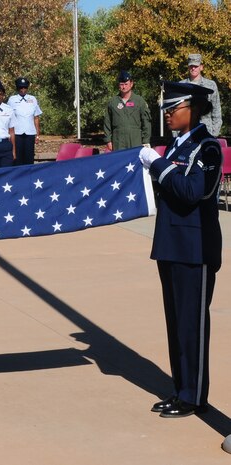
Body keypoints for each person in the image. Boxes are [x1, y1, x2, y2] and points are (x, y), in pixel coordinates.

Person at [139, 81, 223, 418]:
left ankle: (195, 395)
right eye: (166, 108)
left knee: (192, 325)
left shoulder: (208, 148)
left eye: (174, 108)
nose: (168, 114)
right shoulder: (175, 148)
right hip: (171, 244)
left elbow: (193, 191)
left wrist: (158, 166)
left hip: (195, 247)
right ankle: (180, 389)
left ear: (194, 108)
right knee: (175, 324)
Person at [103, 71, 151, 151]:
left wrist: (146, 141)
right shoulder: (113, 102)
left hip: (135, 141)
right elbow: (107, 122)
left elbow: (146, 122)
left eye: (126, 84)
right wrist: (108, 140)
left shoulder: (139, 101)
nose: (124, 87)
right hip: (118, 141)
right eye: (121, 84)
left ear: (131, 84)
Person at [180, 53, 222, 137]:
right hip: (186, 132)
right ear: (188, 67)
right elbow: (177, 112)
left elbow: (216, 110)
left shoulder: (210, 85)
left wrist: (214, 134)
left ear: (201, 67)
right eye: (191, 66)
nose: (193, 68)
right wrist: (177, 134)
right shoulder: (181, 86)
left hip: (206, 131)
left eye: (196, 66)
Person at [8, 77, 42, 165]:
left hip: (30, 133)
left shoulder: (33, 99)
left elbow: (36, 117)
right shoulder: (12, 100)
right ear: (17, 88)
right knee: (17, 158)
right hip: (17, 133)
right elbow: (8, 118)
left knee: (29, 158)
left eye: (25, 87)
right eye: (20, 87)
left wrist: (37, 134)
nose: (23, 90)